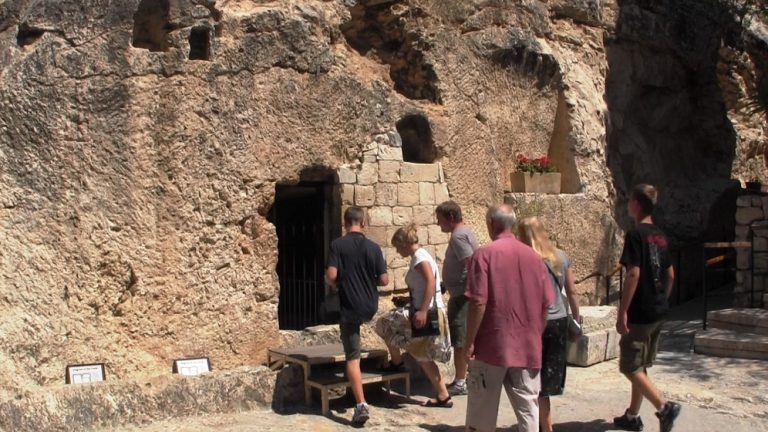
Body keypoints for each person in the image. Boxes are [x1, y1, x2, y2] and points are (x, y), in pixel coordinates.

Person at [464, 204, 554, 432]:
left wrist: (470, 341)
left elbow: (478, 302)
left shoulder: (483, 255)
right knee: (528, 413)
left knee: (481, 413)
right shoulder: (535, 259)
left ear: (491, 224)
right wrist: (535, 334)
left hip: (490, 347)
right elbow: (546, 306)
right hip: (527, 347)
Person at [613, 184, 681, 432]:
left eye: (630, 200)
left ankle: (665, 407)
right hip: (658, 311)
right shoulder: (660, 235)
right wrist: (661, 299)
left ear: (637, 204)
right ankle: (632, 416)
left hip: (640, 313)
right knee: (640, 366)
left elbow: (633, 273)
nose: (628, 204)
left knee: (629, 366)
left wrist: (623, 312)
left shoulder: (635, 235)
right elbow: (671, 274)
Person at [374, 224, 453, 407]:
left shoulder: (418, 258)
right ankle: (443, 395)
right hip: (424, 308)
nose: (397, 251)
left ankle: (397, 362)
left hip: (424, 312)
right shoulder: (421, 255)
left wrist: (423, 310)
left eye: (397, 246)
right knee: (422, 355)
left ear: (404, 244)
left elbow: (431, 283)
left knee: (384, 324)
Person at [325, 206, 389, 426]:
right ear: (364, 223)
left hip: (350, 307)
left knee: (353, 357)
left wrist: (333, 282)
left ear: (345, 223)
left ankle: (361, 404)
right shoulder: (374, 248)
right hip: (369, 306)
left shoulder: (337, 245)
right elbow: (384, 280)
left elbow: (332, 275)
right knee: (357, 349)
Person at [517, 216, 581, 432]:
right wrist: (577, 317)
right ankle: (544, 425)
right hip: (559, 321)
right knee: (547, 379)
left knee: (533, 378)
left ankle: (545, 426)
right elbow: (572, 290)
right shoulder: (560, 256)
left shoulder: (525, 259)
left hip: (537, 323)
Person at [435, 200, 479, 396]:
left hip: (462, 296)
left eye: (440, 220)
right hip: (461, 293)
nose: (438, 224)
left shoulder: (458, 237)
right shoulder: (465, 232)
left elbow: (470, 263)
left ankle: (461, 382)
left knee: (460, 340)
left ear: (450, 217)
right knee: (462, 337)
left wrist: (468, 290)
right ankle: (466, 378)